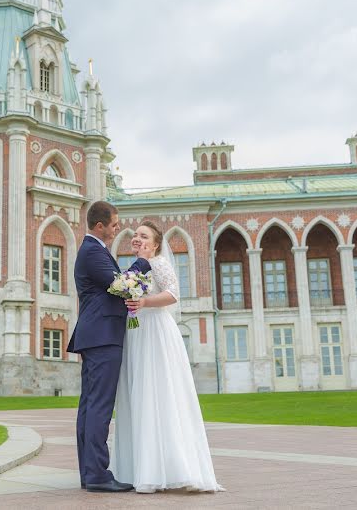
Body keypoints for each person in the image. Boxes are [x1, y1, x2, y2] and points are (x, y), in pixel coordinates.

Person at [111, 220, 222, 494]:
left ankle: (172, 467)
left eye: (143, 236)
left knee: (158, 392)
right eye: (135, 235)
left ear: (155, 243)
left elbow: (173, 293)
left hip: (156, 332)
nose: (137, 239)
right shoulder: (133, 268)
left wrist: (145, 302)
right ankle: (139, 468)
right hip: (137, 332)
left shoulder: (158, 262)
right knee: (139, 394)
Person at [66, 201, 152, 493]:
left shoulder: (95, 251)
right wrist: (142, 263)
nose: (118, 229)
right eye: (115, 224)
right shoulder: (92, 251)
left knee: (91, 406)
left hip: (97, 335)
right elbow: (122, 285)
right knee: (99, 407)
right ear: (100, 226)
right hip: (102, 336)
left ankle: (90, 473)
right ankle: (98, 474)